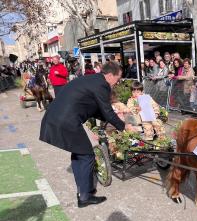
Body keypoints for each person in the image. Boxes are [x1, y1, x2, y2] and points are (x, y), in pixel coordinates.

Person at [40, 61, 130, 208]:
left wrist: (113, 121)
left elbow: (94, 109)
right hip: (67, 120)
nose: (117, 82)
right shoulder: (102, 85)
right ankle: (85, 197)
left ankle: (82, 191)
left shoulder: (92, 80)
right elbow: (107, 111)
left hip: (59, 117)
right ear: (109, 75)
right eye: (117, 79)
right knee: (87, 155)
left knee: (78, 154)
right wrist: (124, 126)